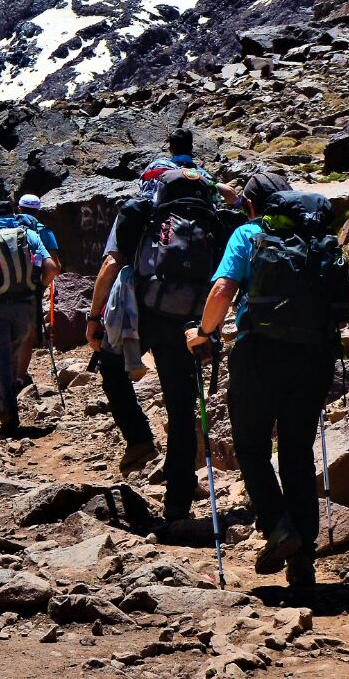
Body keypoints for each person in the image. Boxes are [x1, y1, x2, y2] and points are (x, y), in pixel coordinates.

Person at [186, 171, 337, 588]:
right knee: (296, 452)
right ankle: (303, 557)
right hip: (314, 357)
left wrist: (203, 334)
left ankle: (278, 526)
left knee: (251, 447)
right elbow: (348, 300)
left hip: (260, 355)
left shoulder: (248, 234)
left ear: (251, 206)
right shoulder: (317, 235)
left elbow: (222, 291)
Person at [88, 153, 230, 516]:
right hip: (189, 322)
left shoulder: (143, 213)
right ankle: (178, 502)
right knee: (182, 407)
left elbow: (110, 264)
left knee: (110, 364)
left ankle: (138, 439)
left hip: (143, 315)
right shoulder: (210, 218)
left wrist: (93, 317)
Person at [0, 200, 60, 438]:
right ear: (13, 213)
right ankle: (7, 398)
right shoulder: (28, 233)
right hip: (25, 302)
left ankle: (7, 409)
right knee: (15, 354)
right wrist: (38, 288)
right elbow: (52, 267)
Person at [12, 193, 61, 384]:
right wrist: (41, 285)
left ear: (19, 209)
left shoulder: (5, 228)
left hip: (1, 288)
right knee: (27, 334)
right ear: (38, 211)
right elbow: (54, 267)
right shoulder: (44, 232)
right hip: (31, 289)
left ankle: (4, 372)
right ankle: (19, 377)